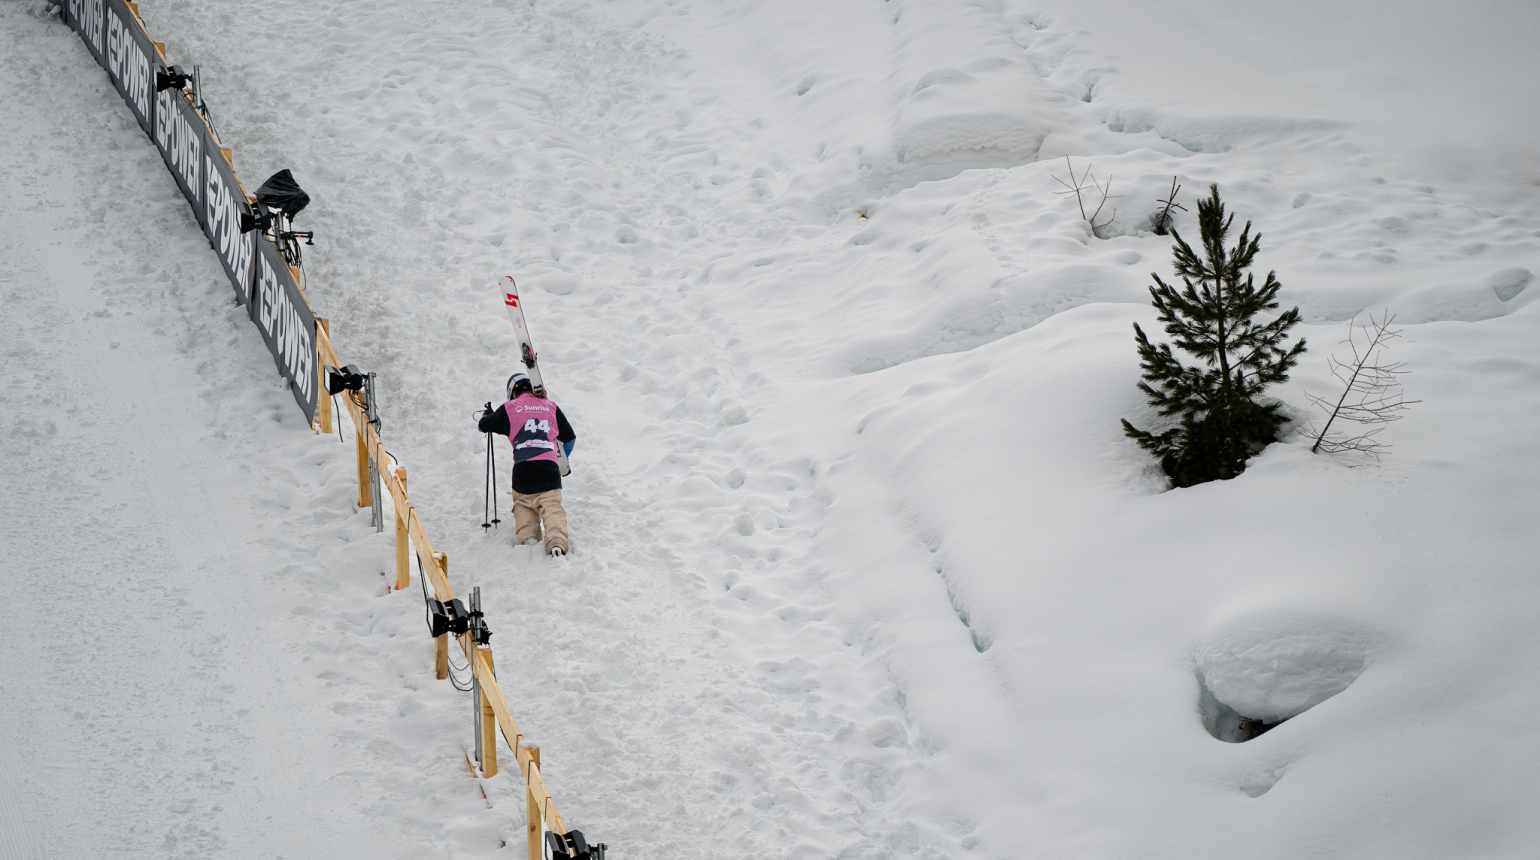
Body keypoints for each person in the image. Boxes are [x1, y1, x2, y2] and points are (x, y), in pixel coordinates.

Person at [477, 373, 577, 556]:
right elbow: (569, 439)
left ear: (512, 393)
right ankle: (556, 543)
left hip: (523, 470)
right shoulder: (551, 407)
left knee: (523, 504)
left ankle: (529, 537)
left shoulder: (509, 408)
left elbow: (483, 426)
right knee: (551, 506)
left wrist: (488, 415)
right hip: (549, 468)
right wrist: (559, 461)